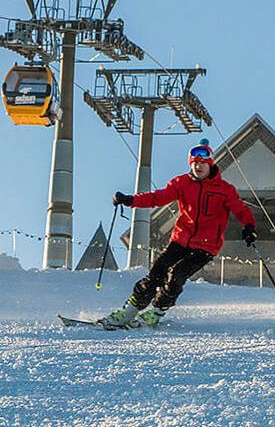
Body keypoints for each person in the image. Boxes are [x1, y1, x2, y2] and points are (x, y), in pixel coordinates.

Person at [98, 138, 257, 329]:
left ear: (210, 165)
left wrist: (249, 227)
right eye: (195, 163)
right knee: (156, 273)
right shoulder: (181, 183)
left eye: (202, 163)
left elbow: (241, 210)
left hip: (207, 246)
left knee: (177, 275)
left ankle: (155, 313)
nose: (198, 166)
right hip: (181, 240)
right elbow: (158, 198)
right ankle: (129, 312)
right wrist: (131, 200)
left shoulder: (224, 190)